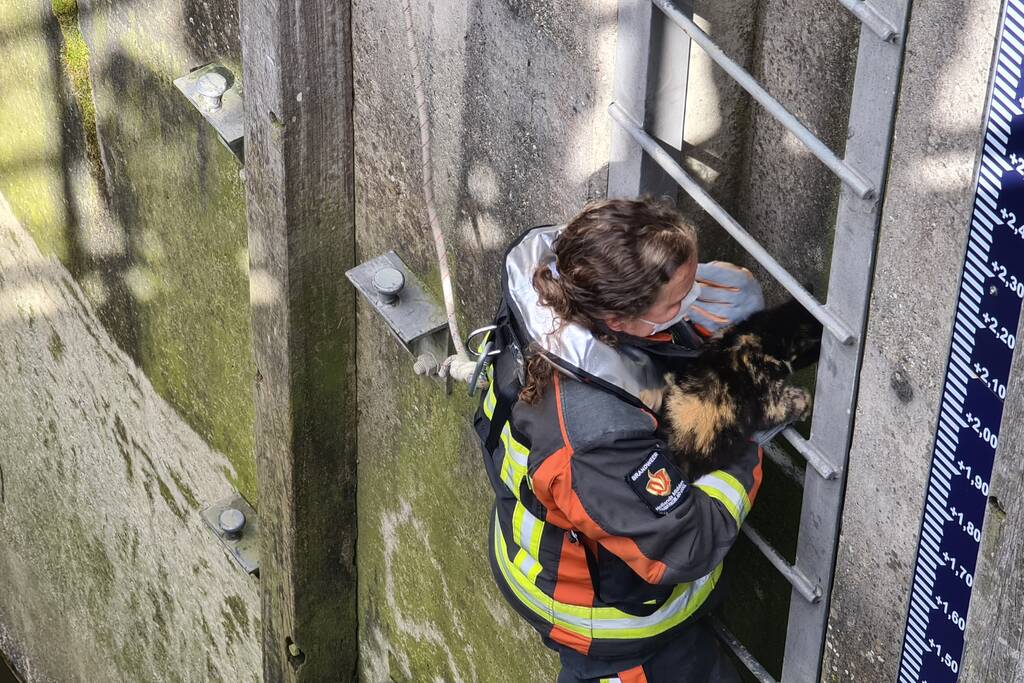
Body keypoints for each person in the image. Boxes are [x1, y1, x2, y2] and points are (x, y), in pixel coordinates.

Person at [472, 197, 766, 682]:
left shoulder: (551, 291)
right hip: (607, 623)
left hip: (549, 549)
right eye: (679, 301)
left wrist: (694, 330)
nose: (692, 303)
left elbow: (634, 361)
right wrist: (739, 429)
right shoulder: (598, 438)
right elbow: (687, 545)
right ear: (620, 321)